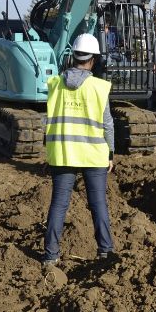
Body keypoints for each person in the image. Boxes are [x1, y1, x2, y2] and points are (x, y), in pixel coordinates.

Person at [42, 33, 115, 266]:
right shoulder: (99, 87)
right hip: (94, 156)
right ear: (93, 59)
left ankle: (50, 255)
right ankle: (105, 251)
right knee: (98, 203)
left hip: (63, 154)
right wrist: (111, 153)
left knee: (59, 204)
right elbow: (108, 124)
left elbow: (48, 120)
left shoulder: (54, 84)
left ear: (72, 56)